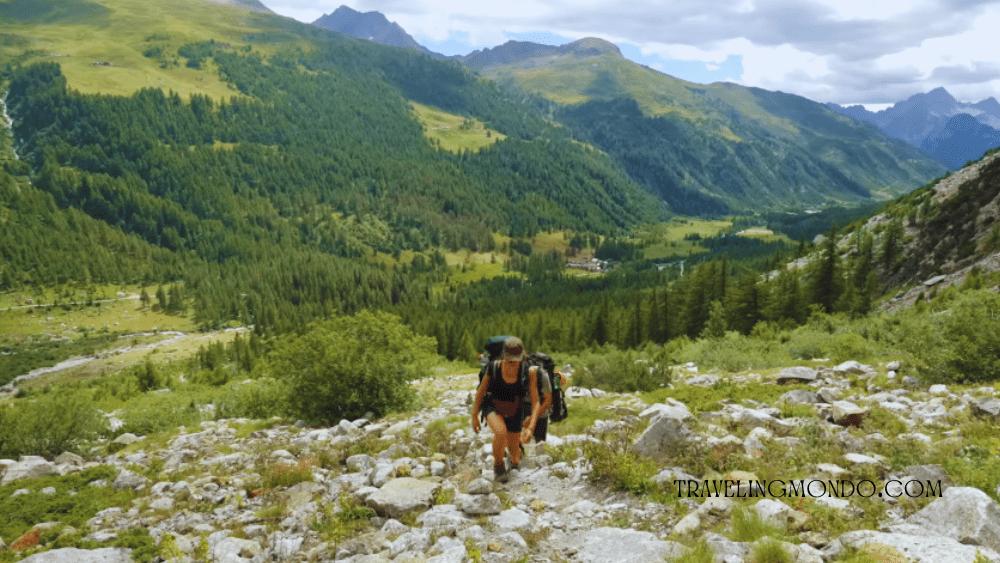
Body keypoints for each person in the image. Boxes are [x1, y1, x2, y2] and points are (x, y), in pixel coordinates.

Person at [472, 337, 540, 483]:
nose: (513, 365)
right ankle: (498, 466)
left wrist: (531, 427)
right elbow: (481, 392)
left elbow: (536, 401)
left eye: (517, 361)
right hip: (492, 405)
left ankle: (514, 461)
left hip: (515, 409)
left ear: (522, 358)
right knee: (500, 432)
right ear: (503, 357)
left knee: (515, 455)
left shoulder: (529, 372)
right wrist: (475, 416)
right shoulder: (493, 367)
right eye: (510, 361)